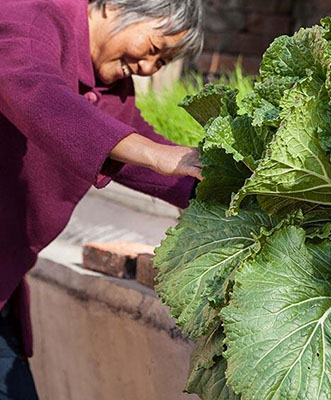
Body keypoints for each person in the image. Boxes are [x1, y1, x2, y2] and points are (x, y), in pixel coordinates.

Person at [0, 0, 204, 398]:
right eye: (153, 49)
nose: (147, 68)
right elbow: (34, 93)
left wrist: (226, 188)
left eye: (161, 64)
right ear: (113, 5)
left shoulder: (107, 85)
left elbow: (139, 155)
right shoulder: (29, 14)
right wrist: (152, 153)